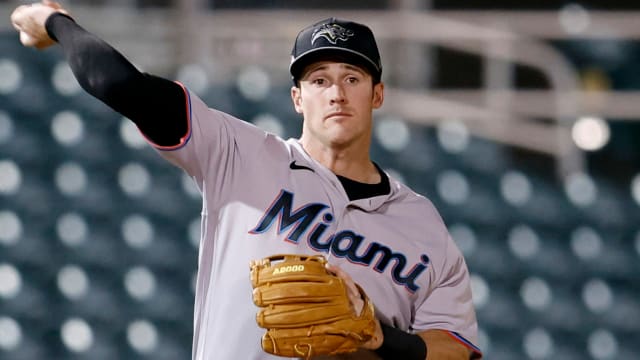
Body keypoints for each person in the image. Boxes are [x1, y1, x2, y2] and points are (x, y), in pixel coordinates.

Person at [11, 2, 482, 359]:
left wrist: (383, 337)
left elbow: (454, 347)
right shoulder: (237, 153)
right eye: (319, 80)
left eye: (352, 77)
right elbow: (121, 86)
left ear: (377, 94)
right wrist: (55, 21)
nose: (336, 93)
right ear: (297, 98)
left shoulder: (423, 227)